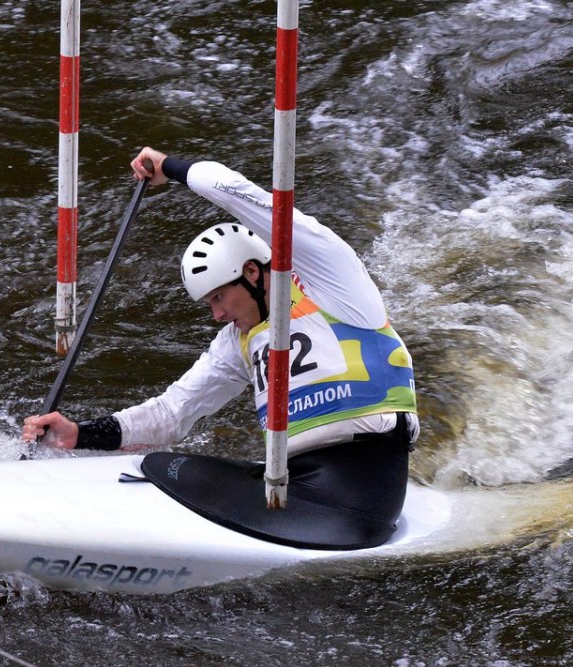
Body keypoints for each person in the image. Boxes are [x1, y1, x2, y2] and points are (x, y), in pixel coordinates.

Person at [22, 147, 418, 547]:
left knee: (162, 470)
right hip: (293, 484)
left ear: (251, 273)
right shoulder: (238, 341)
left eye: (218, 297)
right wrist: (79, 434)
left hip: (360, 492)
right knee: (164, 466)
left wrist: (169, 167)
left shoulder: (334, 286)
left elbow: (239, 193)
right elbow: (172, 413)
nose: (216, 315)